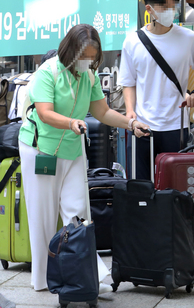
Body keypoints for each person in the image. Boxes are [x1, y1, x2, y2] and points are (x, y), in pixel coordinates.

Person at [18, 24, 150, 292]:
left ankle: (85, 273)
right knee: (42, 217)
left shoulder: (88, 76)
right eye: (83, 57)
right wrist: (71, 123)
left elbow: (102, 112)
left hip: (72, 148)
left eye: (92, 57)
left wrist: (130, 124)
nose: (88, 62)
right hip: (41, 150)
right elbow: (44, 113)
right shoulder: (48, 72)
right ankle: (42, 279)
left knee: (78, 213)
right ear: (70, 51)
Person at [120, 0, 194, 180]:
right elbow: (128, 82)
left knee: (175, 185)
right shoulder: (133, 41)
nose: (171, 11)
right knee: (140, 185)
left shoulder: (189, 38)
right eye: (165, 7)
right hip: (142, 126)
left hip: (176, 124)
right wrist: (130, 112)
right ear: (150, 9)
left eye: (173, 6)